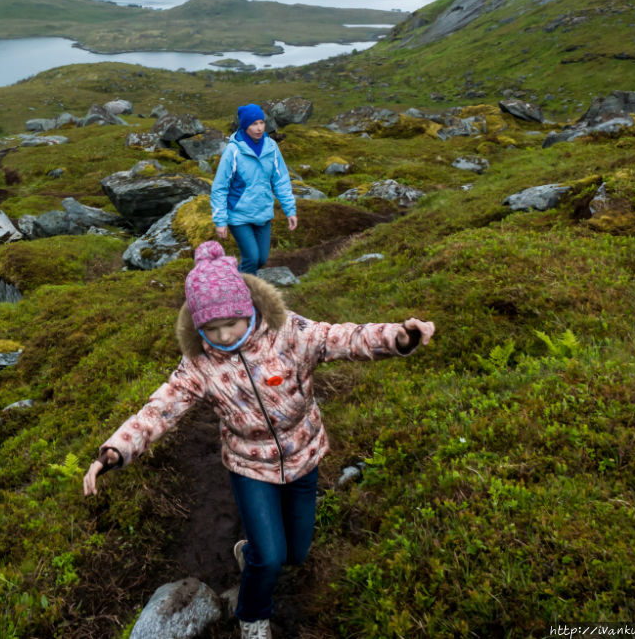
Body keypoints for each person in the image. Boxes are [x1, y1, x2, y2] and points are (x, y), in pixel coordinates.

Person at [83, 242, 434, 639]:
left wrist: (399, 337)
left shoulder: (290, 332)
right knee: (269, 559)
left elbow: (342, 338)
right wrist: (115, 450)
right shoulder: (200, 362)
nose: (221, 335)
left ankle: (246, 553)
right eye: (210, 329)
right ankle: (251, 615)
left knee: (294, 553)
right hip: (250, 466)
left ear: (248, 307)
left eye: (229, 323)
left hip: (304, 454)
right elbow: (160, 408)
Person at [210, 103, 297, 275]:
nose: (259, 128)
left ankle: (233, 283)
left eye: (261, 123)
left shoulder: (271, 147)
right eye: (253, 124)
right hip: (239, 215)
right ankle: (238, 291)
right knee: (251, 258)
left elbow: (281, 181)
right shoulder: (233, 151)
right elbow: (220, 188)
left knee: (262, 259)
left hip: (263, 212)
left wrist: (290, 210)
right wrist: (220, 220)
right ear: (245, 126)